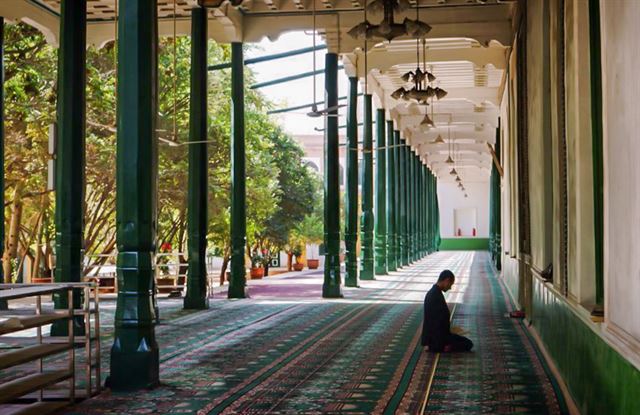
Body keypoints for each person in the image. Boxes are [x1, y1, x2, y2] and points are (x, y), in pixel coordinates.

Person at [421, 269, 473, 352]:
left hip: (435, 337)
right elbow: (438, 323)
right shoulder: (435, 295)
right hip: (438, 340)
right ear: (446, 280)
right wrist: (446, 343)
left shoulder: (433, 292)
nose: (450, 287)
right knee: (468, 344)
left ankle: (431, 345)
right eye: (450, 284)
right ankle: (435, 347)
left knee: (463, 341)